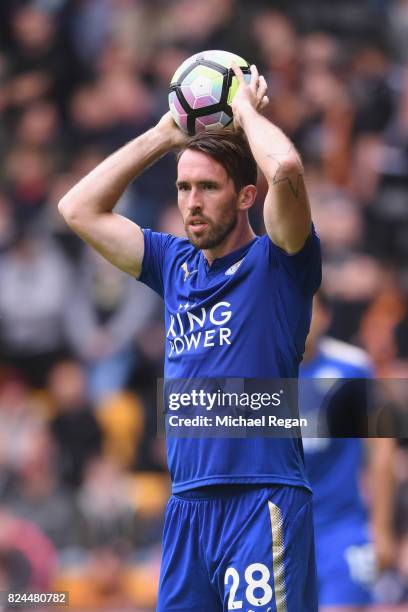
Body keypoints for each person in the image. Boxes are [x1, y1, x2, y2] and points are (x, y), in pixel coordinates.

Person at [59, 63, 321, 611]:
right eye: (183, 187)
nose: (191, 203)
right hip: (186, 509)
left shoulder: (278, 263)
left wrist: (245, 111)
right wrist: (163, 135)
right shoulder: (173, 264)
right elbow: (77, 208)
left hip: (260, 500)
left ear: (247, 195)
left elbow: (288, 168)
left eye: (207, 187)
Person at [300, 294, 396, 611]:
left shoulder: (352, 368)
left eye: (307, 306)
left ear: (325, 316)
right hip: (273, 532)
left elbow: (382, 449)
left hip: (340, 529)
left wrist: (381, 529)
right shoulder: (254, 370)